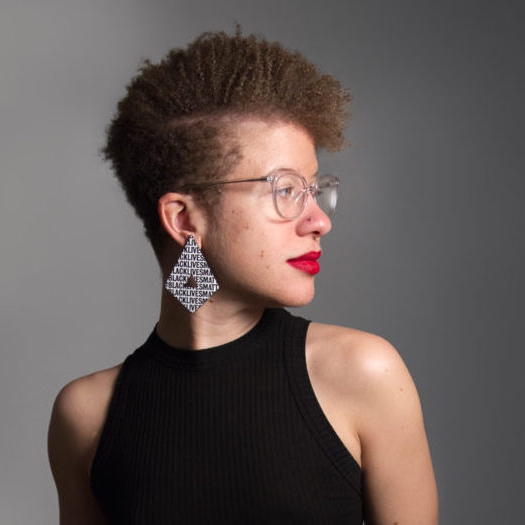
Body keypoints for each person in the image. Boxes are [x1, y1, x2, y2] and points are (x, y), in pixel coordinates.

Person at [48, 29, 438, 524]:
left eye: (315, 189)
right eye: (286, 190)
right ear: (185, 220)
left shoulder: (363, 374)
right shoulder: (85, 417)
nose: (319, 220)